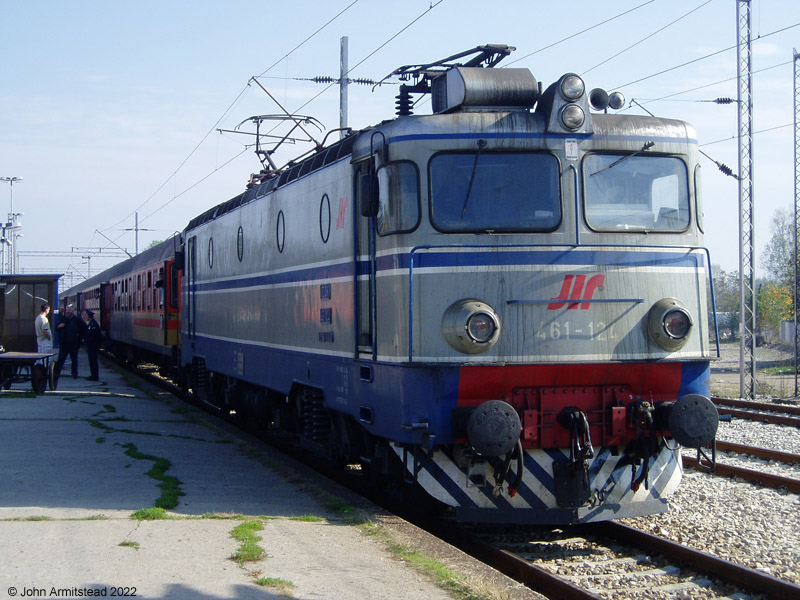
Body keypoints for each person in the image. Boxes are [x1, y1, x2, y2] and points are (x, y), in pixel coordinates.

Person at [54, 304, 86, 379]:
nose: (68, 312)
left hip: (74, 343)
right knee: (61, 359)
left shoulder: (77, 320)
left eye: (70, 310)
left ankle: (74, 373)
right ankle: (57, 372)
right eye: (67, 310)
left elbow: (84, 327)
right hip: (64, 343)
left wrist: (79, 335)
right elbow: (56, 328)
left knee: (74, 359)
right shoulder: (63, 319)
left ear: (73, 311)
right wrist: (59, 326)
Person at [82, 309, 102, 381]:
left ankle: (95, 376)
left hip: (93, 345)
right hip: (91, 345)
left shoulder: (93, 325)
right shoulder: (91, 324)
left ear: (89, 316)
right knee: (91, 361)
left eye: (86, 315)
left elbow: (95, 336)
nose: (85, 316)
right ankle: (93, 375)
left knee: (93, 361)